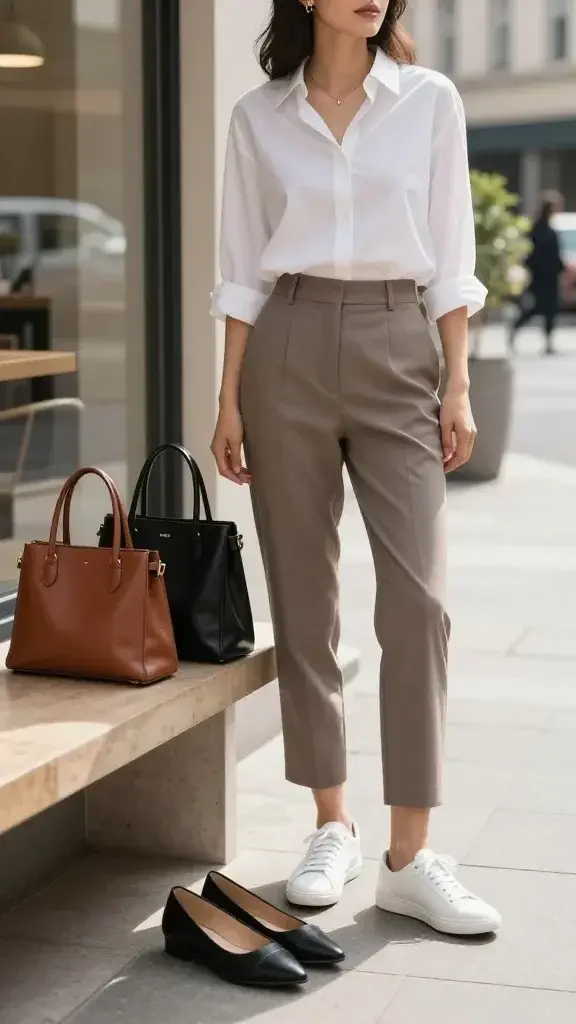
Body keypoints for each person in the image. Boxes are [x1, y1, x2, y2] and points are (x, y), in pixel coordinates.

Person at [211, 0, 501, 936]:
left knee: (418, 599)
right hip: (286, 344)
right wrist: (228, 397)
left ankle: (411, 855)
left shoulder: (429, 101)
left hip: (395, 339)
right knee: (305, 598)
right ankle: (330, 824)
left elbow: (451, 254)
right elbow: (241, 266)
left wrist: (456, 384)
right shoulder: (258, 117)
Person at [510, 191, 566, 355]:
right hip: (540, 277)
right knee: (534, 308)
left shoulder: (550, 228)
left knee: (551, 310)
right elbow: (529, 253)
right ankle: (514, 331)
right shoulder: (537, 229)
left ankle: (548, 343)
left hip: (551, 276)